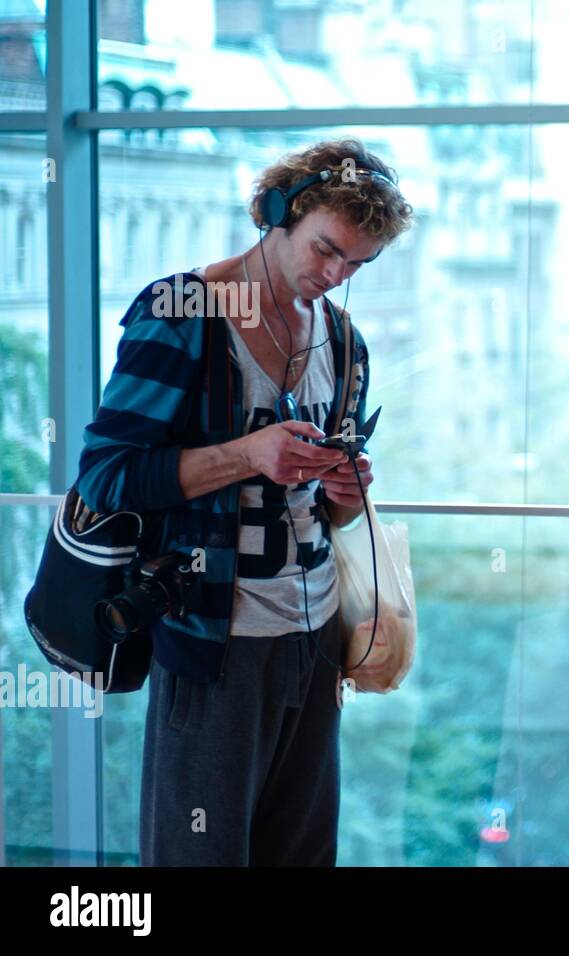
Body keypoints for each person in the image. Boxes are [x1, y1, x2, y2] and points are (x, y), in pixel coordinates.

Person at [75, 137, 414, 866]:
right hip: (211, 643)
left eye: (357, 264)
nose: (335, 274)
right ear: (276, 211)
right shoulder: (183, 312)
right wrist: (248, 456)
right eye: (326, 249)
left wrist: (344, 494)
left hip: (315, 639)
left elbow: (329, 512)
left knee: (301, 854)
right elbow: (106, 477)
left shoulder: (344, 340)